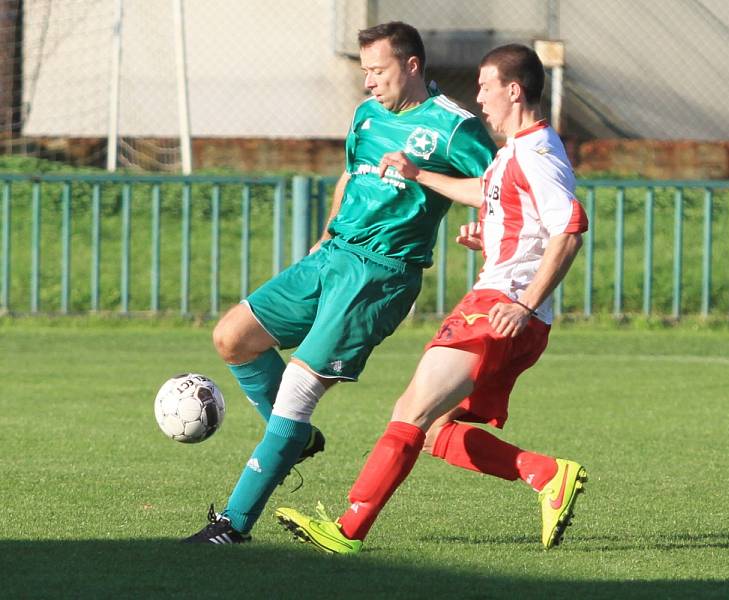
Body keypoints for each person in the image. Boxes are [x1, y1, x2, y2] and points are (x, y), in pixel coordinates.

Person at [183, 22, 497, 544]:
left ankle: (231, 527)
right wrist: (326, 233)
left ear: (412, 65)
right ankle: (294, 440)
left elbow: (496, 187)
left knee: (297, 390)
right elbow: (352, 174)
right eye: (364, 71)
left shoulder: (453, 127)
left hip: (382, 272)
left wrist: (475, 221)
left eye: (378, 70)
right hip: (334, 254)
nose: (368, 82)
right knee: (232, 338)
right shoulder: (367, 115)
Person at [274, 43, 589, 553]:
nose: (479, 98)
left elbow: (569, 230)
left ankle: (346, 530)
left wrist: (522, 303)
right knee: (438, 429)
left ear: (514, 90)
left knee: (411, 410)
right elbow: (485, 194)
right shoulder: (517, 149)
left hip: (500, 307)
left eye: (486, 87)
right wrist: (422, 178)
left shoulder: (537, 155)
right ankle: (546, 474)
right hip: (512, 312)